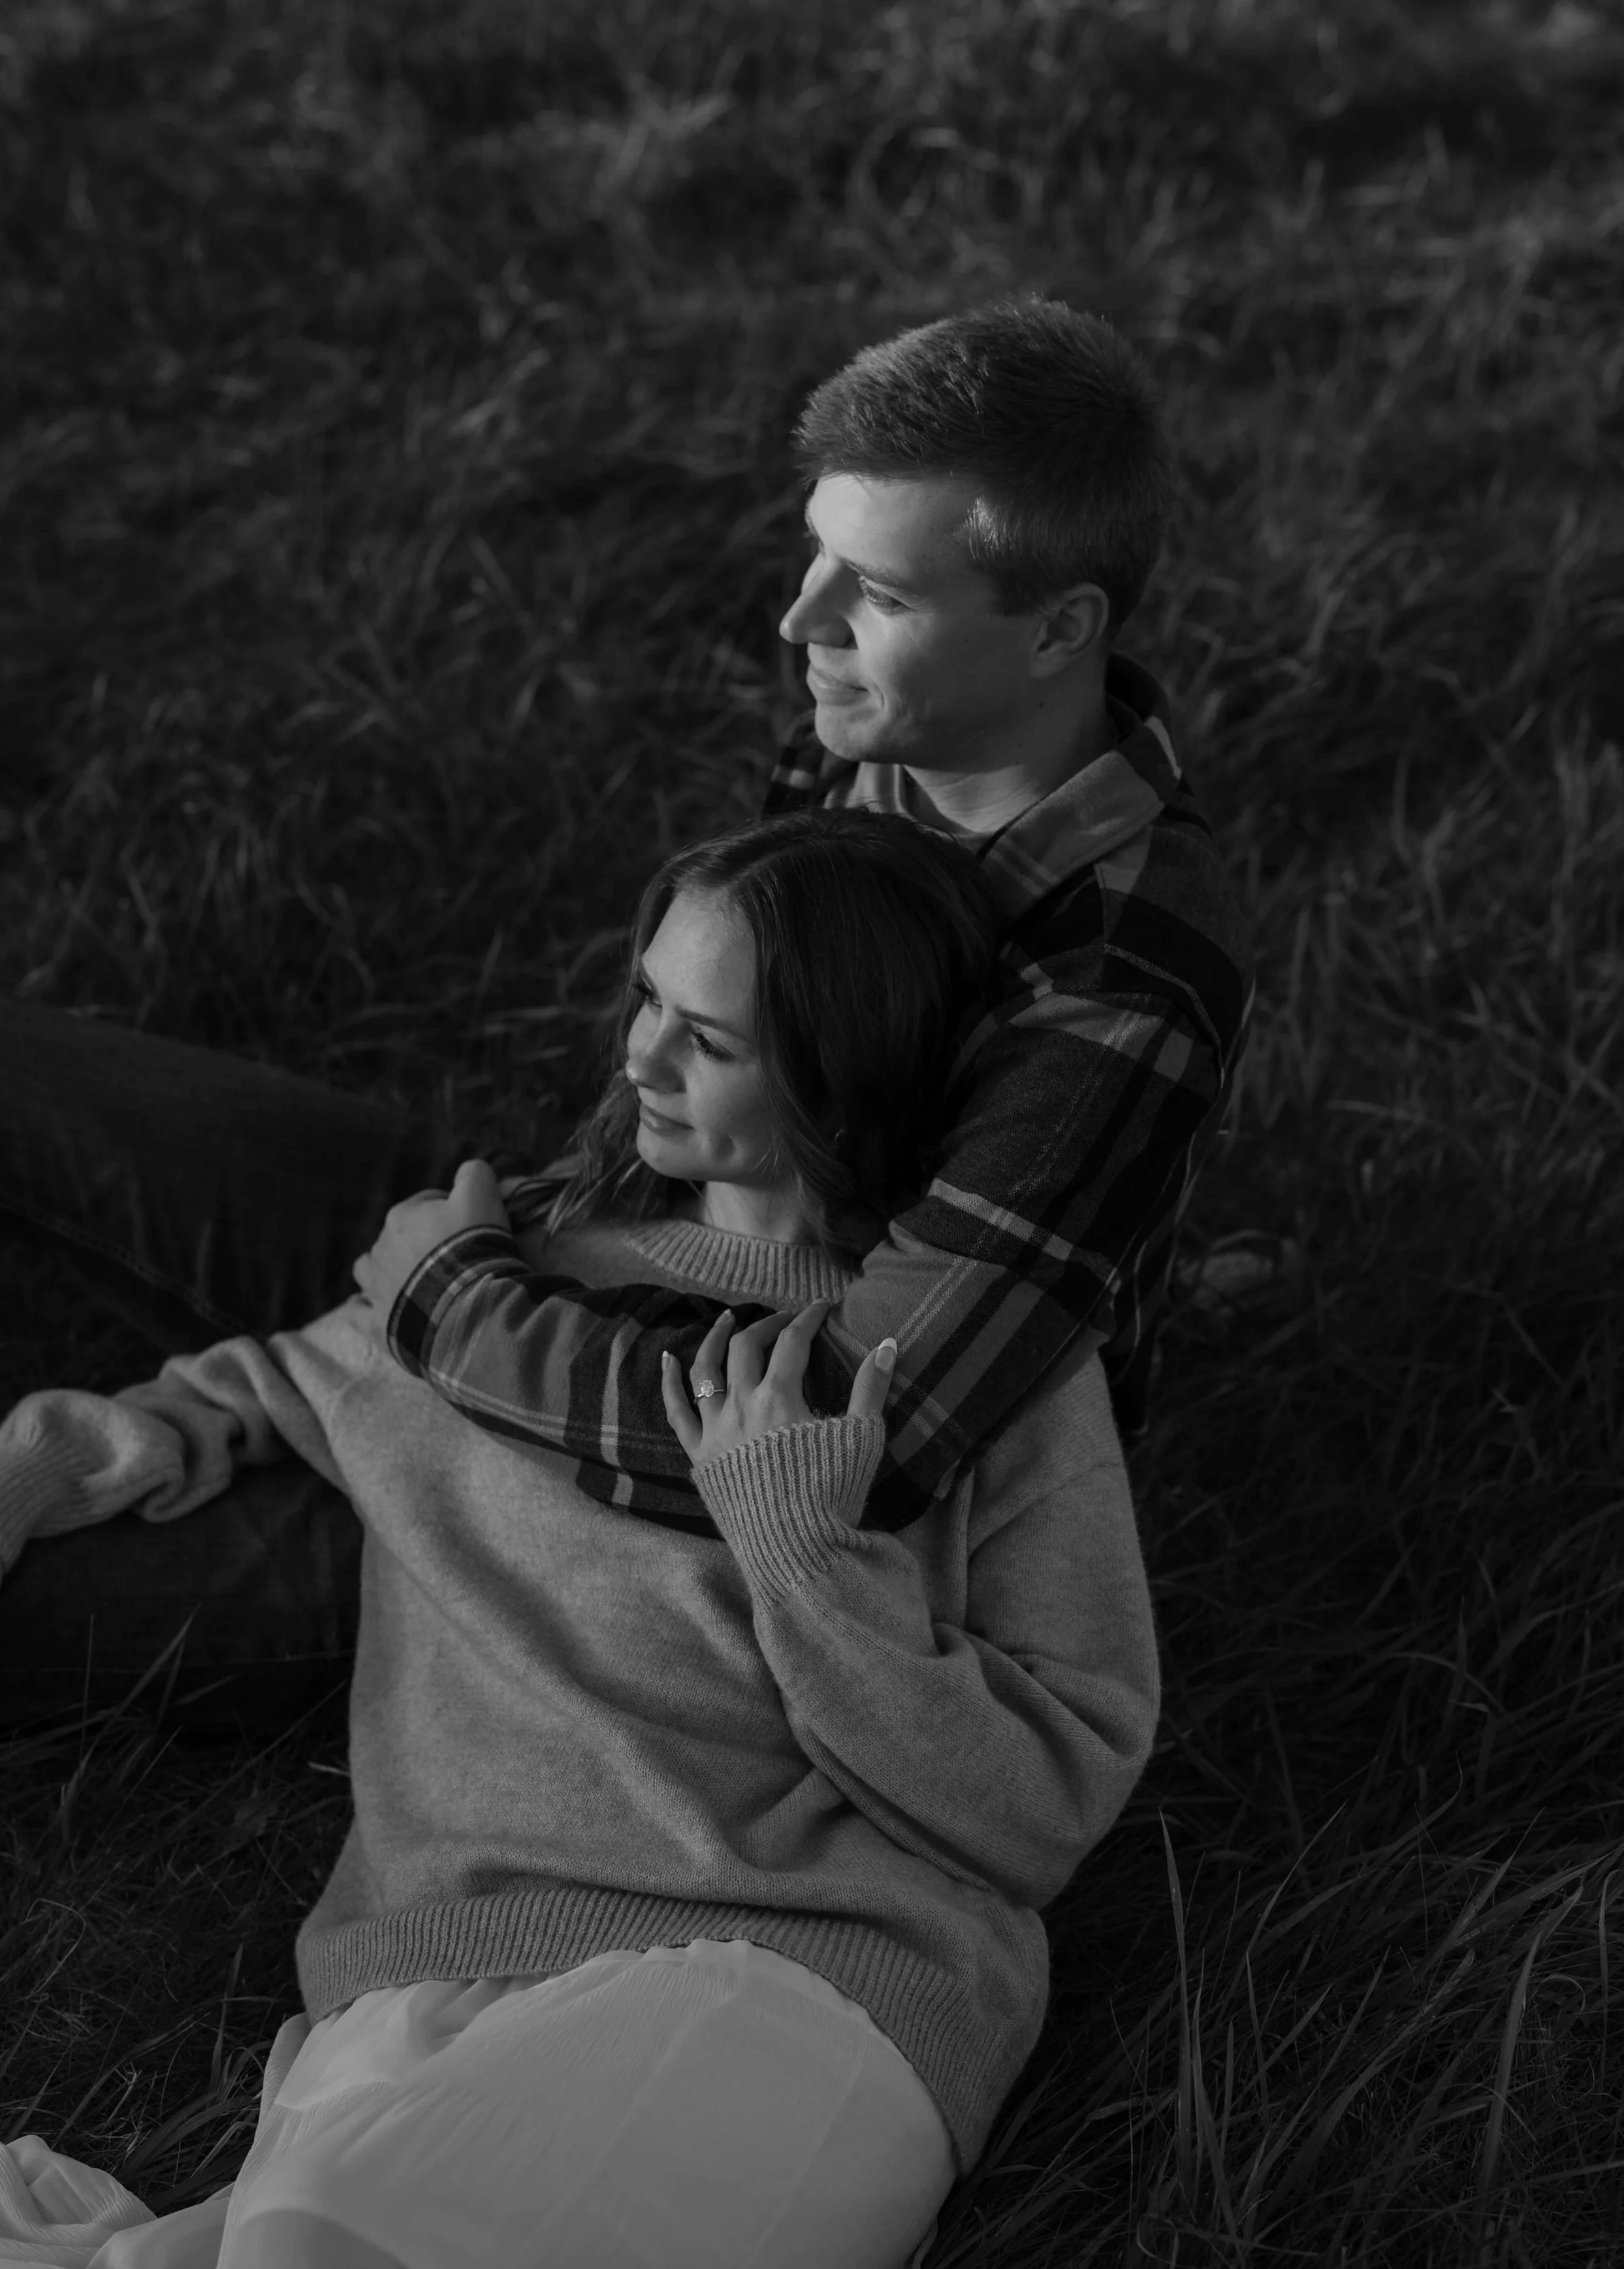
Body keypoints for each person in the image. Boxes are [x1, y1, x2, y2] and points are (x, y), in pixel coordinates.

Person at [0, 296, 1252, 1728]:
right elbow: (685, 1094)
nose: (803, 624)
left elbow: (862, 1440)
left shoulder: (1122, 965)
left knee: (49, 1608)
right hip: (595, 1248)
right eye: (816, 558)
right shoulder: (869, 748)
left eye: (881, 599)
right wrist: (512, 1249)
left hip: (702, 1497)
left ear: (1060, 629)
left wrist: (447, 1307)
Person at [0, 810, 1162, 2269]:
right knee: (302, 2237)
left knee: (311, 2246)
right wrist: (34, 1465)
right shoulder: (516, 1269)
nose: (638, 1060)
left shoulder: (971, 1370)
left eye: (709, 1041)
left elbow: (1036, 1812)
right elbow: (251, 1390)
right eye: (646, 1002)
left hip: (790, 1973)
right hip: (420, 1975)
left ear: (843, 1080)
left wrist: (806, 1557)